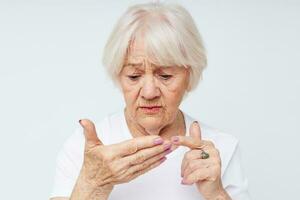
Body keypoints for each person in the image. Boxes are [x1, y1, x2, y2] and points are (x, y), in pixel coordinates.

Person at [50, 2, 250, 200]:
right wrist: (93, 183)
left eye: (165, 76)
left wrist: (216, 195)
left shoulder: (221, 149)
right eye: (134, 76)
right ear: (118, 76)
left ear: (189, 76)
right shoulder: (85, 150)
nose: (149, 92)